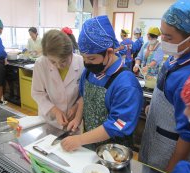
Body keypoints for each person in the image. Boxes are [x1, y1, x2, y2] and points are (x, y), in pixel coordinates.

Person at [60, 15, 143, 152]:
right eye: (84, 57)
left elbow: (117, 125)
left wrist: (80, 139)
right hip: (89, 144)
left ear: (109, 52)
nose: (87, 63)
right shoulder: (88, 72)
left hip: (114, 151)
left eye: (91, 58)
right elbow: (83, 97)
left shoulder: (126, 85)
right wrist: (77, 118)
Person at [139, 0, 190, 173]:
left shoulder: (188, 77)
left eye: (169, 37)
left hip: (169, 149)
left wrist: (170, 172)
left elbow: (188, 135)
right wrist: (154, 108)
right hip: (154, 134)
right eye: (162, 34)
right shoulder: (175, 58)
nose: (163, 40)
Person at [31, 30, 83, 128]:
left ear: (70, 53)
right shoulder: (41, 64)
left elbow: (84, 93)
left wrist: (76, 106)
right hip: (49, 121)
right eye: (53, 62)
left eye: (63, 61)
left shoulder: (81, 62)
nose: (59, 66)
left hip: (73, 121)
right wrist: (55, 110)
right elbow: (37, 93)